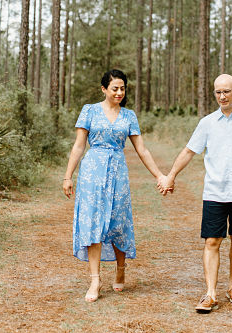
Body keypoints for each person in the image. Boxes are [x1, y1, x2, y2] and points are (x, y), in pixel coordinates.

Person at [157, 73, 232, 313]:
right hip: (215, 192)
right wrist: (171, 175)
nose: (222, 96)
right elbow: (189, 151)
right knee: (212, 240)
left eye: (227, 91)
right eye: (218, 92)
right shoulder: (207, 123)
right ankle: (210, 294)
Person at [63, 69, 167, 302]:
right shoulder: (89, 111)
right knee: (93, 222)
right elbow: (79, 146)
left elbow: (142, 149)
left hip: (118, 171)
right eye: (114, 88)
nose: (119, 92)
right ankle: (95, 280)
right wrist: (68, 176)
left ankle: (120, 269)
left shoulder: (129, 116)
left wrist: (159, 175)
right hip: (92, 172)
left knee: (117, 221)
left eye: (122, 88)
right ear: (104, 89)